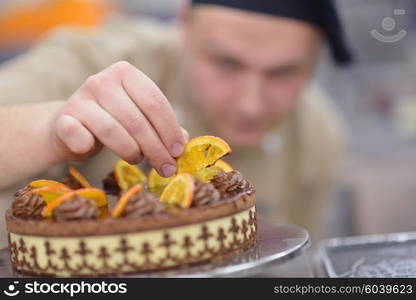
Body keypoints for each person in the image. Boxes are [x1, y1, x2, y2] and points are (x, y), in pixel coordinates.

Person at [0, 0, 350, 247]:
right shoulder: (93, 60)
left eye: (283, 73)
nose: (251, 104)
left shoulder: (318, 135)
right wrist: (50, 130)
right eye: (226, 64)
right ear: (183, 25)